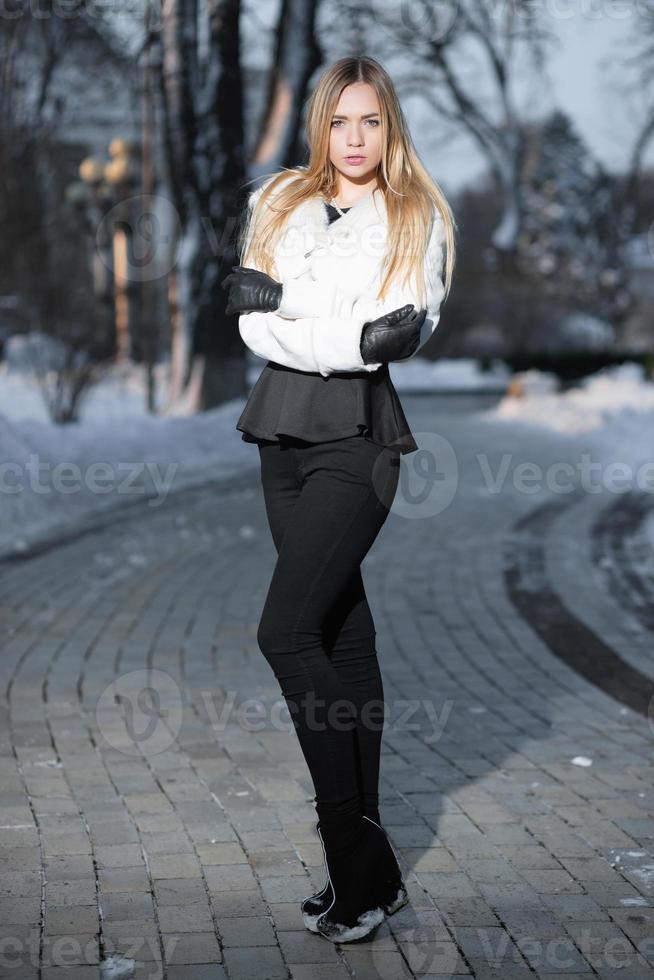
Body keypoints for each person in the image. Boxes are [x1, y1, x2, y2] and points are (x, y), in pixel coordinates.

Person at [221, 55, 456, 944]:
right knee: (337, 636)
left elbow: (399, 332)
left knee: (283, 633)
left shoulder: (417, 214)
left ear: (390, 127)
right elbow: (252, 321)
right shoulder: (277, 198)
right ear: (319, 126)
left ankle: (353, 863)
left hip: (358, 440)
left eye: (372, 122)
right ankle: (374, 872)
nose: (355, 140)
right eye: (339, 122)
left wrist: (305, 325)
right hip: (279, 430)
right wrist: (341, 332)